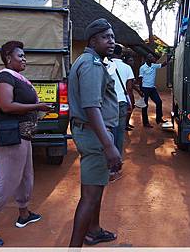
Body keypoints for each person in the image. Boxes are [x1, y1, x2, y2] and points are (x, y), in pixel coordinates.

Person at [0, 41, 53, 247]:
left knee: (26, 175)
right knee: (9, 179)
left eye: (25, 55)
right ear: (8, 57)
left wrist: (37, 110)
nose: (24, 59)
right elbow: (6, 106)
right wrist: (37, 105)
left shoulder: (19, 79)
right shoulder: (4, 76)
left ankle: (24, 213)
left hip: (22, 134)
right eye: (20, 55)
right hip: (8, 136)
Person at [68, 19, 121, 247]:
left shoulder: (88, 60)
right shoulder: (92, 65)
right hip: (95, 136)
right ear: (93, 40)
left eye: (112, 36)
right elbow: (92, 107)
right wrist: (108, 145)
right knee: (89, 198)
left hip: (91, 134)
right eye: (106, 37)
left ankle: (94, 230)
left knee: (94, 189)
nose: (112, 41)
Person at [107, 44, 135, 181]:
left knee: (107, 132)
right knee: (119, 134)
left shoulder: (105, 65)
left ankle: (106, 164)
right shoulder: (127, 68)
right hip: (122, 103)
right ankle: (115, 167)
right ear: (121, 54)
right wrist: (131, 103)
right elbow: (129, 89)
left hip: (107, 104)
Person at [138, 53, 167, 128]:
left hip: (152, 88)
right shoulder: (142, 68)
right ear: (146, 59)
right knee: (145, 106)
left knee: (159, 102)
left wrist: (169, 58)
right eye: (150, 57)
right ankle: (146, 123)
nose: (152, 58)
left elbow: (163, 65)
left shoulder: (154, 66)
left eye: (152, 56)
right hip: (145, 88)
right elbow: (140, 79)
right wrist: (140, 90)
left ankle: (159, 118)